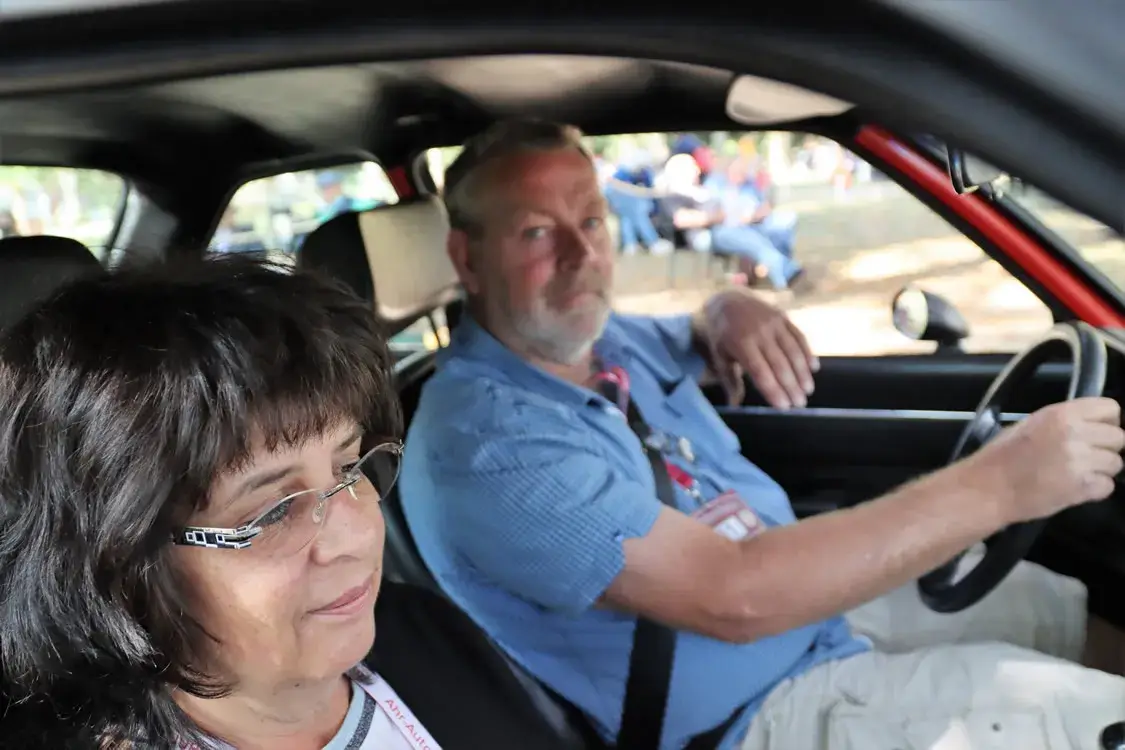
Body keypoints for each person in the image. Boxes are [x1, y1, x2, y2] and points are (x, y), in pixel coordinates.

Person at [400, 118, 1125, 749]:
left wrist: (723, 308)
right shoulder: (482, 443)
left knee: (1054, 606)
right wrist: (1000, 485)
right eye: (536, 232)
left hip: (814, 614)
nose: (581, 254)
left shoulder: (599, 342)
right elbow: (734, 597)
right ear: (467, 259)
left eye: (591, 222)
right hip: (759, 713)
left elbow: (689, 331)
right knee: (1085, 717)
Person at [0, 257, 441, 749]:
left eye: (350, 468)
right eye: (272, 511)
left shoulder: (425, 633)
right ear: (124, 572)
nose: (356, 534)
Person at [662, 153, 803, 290]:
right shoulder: (675, 194)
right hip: (710, 233)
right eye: (692, 167)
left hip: (733, 226)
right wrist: (718, 216)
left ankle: (776, 272)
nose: (697, 171)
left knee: (778, 226)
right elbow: (682, 219)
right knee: (747, 238)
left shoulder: (702, 188)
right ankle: (784, 271)